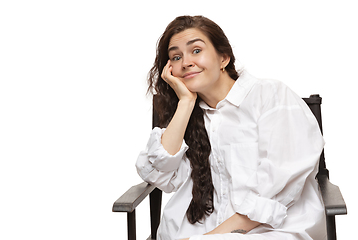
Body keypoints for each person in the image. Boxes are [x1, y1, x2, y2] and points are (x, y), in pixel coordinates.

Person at [136, 15, 326, 240]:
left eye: (196, 50)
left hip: (272, 231)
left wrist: (207, 238)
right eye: (176, 57)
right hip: (195, 232)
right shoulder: (187, 117)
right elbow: (159, 174)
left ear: (223, 58)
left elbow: (275, 191)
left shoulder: (271, 96)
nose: (185, 62)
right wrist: (186, 103)